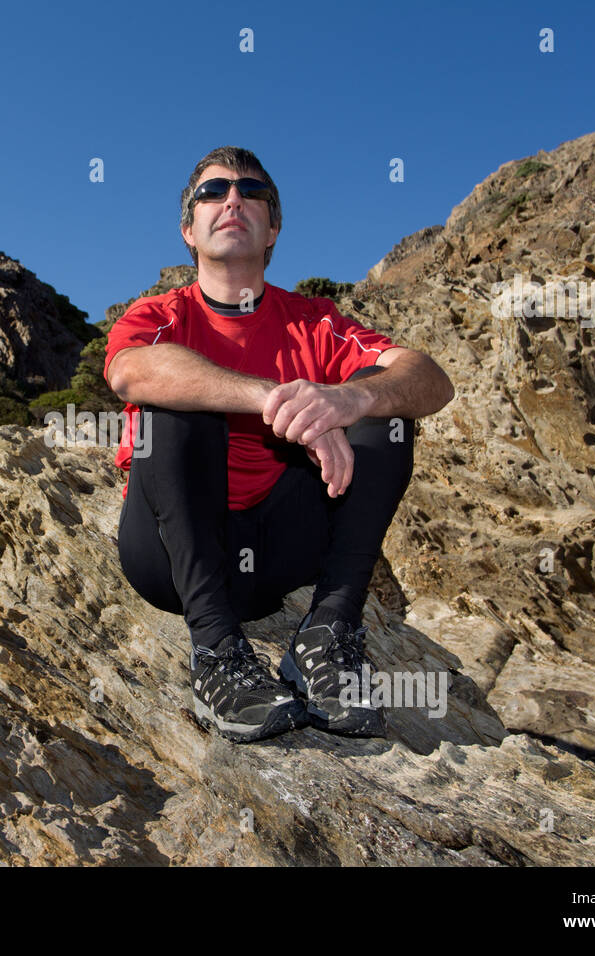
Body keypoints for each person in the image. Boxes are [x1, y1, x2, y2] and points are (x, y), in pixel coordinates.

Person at [103, 147, 455, 744]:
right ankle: (216, 651)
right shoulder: (160, 315)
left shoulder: (313, 319)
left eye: (251, 191)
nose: (232, 200)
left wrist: (346, 402)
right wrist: (276, 399)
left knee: (385, 413)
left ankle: (327, 636)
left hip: (278, 559)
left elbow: (430, 379)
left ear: (273, 226)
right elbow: (131, 372)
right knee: (172, 410)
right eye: (212, 193)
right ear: (189, 229)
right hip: (173, 557)